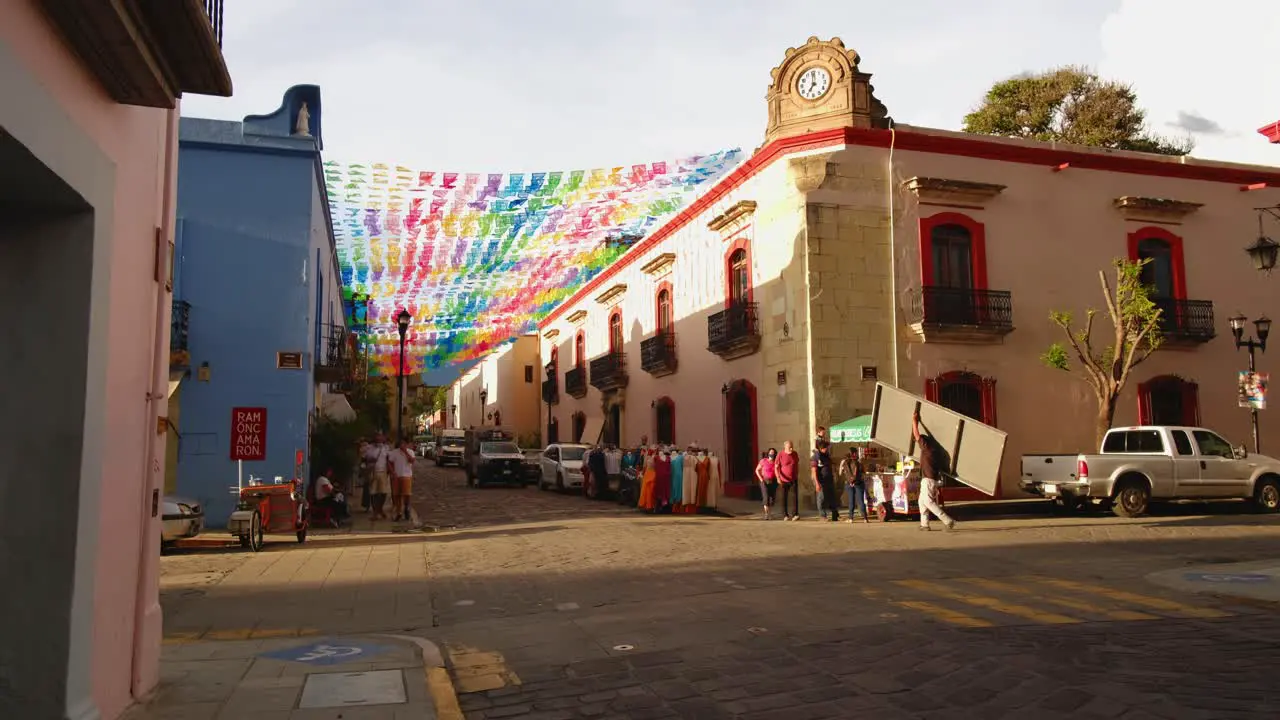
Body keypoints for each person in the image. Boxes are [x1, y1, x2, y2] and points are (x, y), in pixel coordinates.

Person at [913, 410, 956, 531]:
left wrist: (914, 421)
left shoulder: (927, 449)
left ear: (924, 443)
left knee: (928, 502)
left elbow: (916, 435)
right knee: (922, 502)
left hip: (928, 480)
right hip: (930, 480)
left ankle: (948, 520)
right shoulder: (935, 450)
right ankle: (925, 524)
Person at [811, 431, 840, 522]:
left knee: (832, 497)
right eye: (826, 448)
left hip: (829, 479)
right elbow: (814, 471)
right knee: (821, 497)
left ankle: (835, 514)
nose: (827, 449)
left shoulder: (826, 456)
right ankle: (822, 516)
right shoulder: (816, 457)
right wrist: (817, 483)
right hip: (821, 480)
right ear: (821, 448)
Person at [364, 432, 392, 521]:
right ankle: (375, 511)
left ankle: (380, 509)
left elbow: (389, 459)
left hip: (383, 472)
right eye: (377, 437)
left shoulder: (386, 448)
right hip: (373, 472)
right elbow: (366, 459)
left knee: (383, 492)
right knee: (373, 493)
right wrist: (372, 459)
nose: (379, 439)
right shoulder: (369, 448)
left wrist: (390, 471)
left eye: (381, 437)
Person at [840, 448, 871, 523]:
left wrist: (850, 481)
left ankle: (851, 518)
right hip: (858, 483)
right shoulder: (858, 462)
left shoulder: (844, 462)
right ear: (854, 453)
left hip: (849, 483)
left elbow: (841, 473)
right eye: (856, 452)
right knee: (860, 501)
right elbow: (863, 472)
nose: (857, 454)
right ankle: (865, 518)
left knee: (851, 501)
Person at [390, 439, 415, 522]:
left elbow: (412, 461)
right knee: (397, 495)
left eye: (404, 444)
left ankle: (406, 508)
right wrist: (392, 472)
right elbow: (390, 462)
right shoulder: (394, 452)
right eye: (401, 444)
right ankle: (398, 512)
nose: (402, 445)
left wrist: (405, 452)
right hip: (397, 476)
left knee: (407, 494)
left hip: (406, 475)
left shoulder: (410, 452)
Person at [776, 440, 800, 521]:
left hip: (793, 478)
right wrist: (778, 478)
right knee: (784, 497)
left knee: (794, 497)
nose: (791, 449)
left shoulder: (795, 454)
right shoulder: (780, 454)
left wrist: (797, 474)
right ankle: (785, 515)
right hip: (783, 479)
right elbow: (776, 467)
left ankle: (795, 514)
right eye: (789, 447)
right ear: (785, 447)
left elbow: (796, 464)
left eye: (792, 447)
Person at [754, 449, 778, 520]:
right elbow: (757, 470)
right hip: (764, 481)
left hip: (773, 481)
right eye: (771, 453)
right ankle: (766, 514)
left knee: (771, 498)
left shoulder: (775, 462)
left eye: (773, 453)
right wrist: (761, 479)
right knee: (766, 497)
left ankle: (769, 513)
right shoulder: (763, 461)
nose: (772, 454)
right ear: (768, 453)